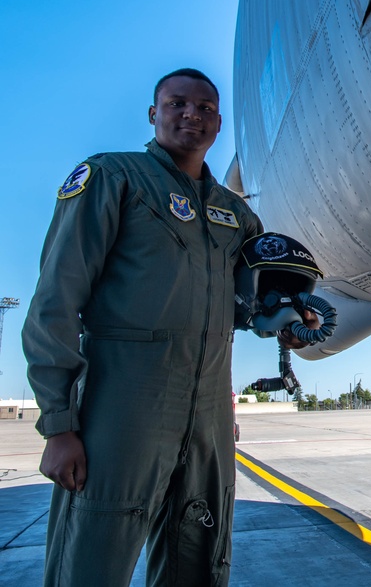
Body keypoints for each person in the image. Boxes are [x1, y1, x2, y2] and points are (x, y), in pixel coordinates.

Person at [23, 68, 263, 586]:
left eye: (203, 108)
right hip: (122, 403)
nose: (190, 115)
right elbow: (55, 302)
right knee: (91, 561)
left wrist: (293, 318)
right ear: (153, 114)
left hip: (209, 419)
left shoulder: (235, 216)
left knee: (200, 558)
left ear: (218, 124)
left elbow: (247, 310)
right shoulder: (113, 178)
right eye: (176, 104)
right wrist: (59, 425)